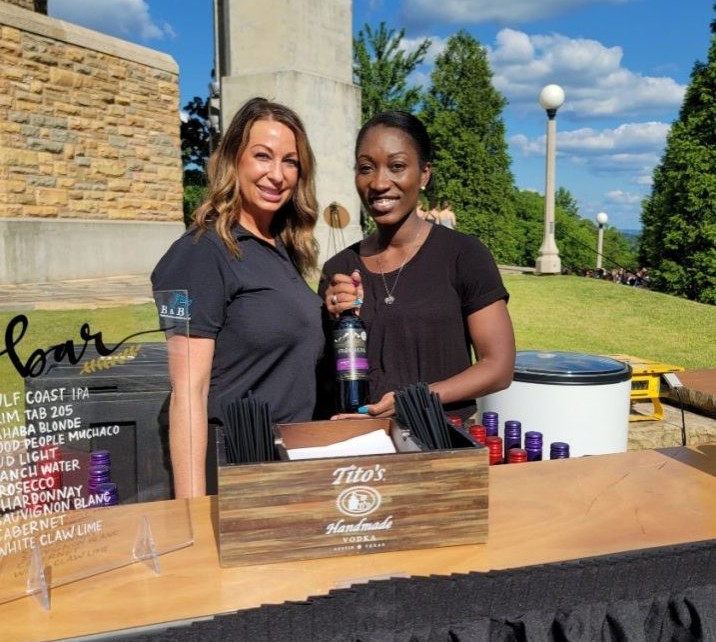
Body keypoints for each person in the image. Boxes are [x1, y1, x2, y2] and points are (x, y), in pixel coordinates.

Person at [152, 97, 323, 496]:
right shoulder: (201, 252)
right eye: (262, 156)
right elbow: (188, 393)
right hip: (237, 469)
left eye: (290, 161)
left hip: (286, 461)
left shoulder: (279, 246)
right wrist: (191, 511)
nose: (277, 175)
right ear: (233, 160)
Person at [320, 110, 515, 420]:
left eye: (397, 166)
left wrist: (414, 399)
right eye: (366, 168)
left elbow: (499, 367)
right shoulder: (339, 268)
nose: (379, 182)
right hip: (360, 448)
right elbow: (327, 376)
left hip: (441, 442)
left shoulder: (463, 254)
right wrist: (333, 318)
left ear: (424, 174)